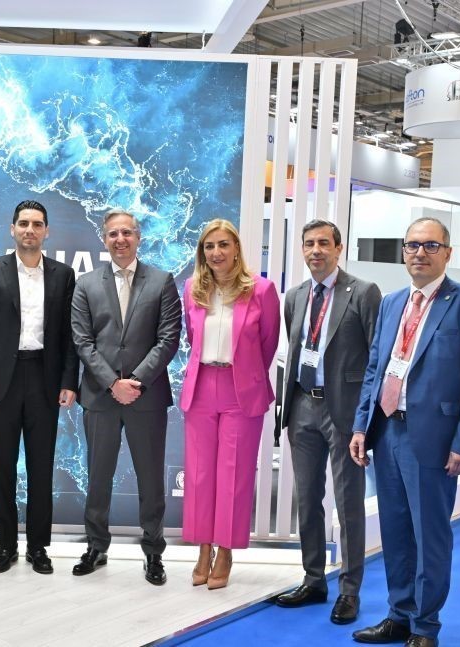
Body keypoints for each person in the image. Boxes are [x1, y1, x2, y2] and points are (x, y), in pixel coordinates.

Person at [349, 217, 460, 647]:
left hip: (434, 439)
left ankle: (425, 626)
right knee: (395, 530)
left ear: (447, 253)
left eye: (431, 245)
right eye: (413, 245)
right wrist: (361, 424)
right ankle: (399, 614)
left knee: (429, 534)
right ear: (403, 252)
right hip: (387, 433)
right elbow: (376, 368)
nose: (420, 252)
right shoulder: (392, 302)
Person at [274, 220, 381, 622]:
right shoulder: (295, 296)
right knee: (307, 499)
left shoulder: (363, 292)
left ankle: (349, 591)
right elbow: (297, 348)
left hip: (344, 413)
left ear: (338, 248)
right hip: (302, 405)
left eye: (323, 243)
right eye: (309, 244)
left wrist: (364, 420)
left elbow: (376, 358)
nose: (315, 250)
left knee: (348, 502)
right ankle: (314, 579)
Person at [70, 208, 181, 586]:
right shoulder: (85, 284)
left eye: (127, 233)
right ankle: (96, 546)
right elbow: (82, 341)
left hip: (146, 398)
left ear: (138, 237)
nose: (120, 239)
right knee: (98, 477)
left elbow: (168, 338)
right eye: (113, 234)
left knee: (150, 479)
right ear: (104, 239)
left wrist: (135, 381)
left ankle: (153, 551)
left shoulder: (162, 281)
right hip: (100, 398)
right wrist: (111, 383)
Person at [0, 200, 78, 575]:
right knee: (2, 467)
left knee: (41, 467)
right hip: (1, 382)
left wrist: (68, 380)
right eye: (24, 223)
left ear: (47, 231)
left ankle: (38, 547)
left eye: (37, 224)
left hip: (45, 379)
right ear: (12, 229)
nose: (30, 230)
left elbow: (69, 335)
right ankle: (5, 545)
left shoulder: (63, 275)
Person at [179, 218, 279, 590]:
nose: (216, 252)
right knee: (200, 475)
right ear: (202, 252)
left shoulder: (262, 290)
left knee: (233, 474)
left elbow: (267, 344)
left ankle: (225, 550)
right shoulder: (192, 288)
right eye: (209, 246)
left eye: (223, 244)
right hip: (202, 387)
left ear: (236, 248)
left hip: (242, 389)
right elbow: (192, 338)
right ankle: (203, 548)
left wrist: (247, 376)